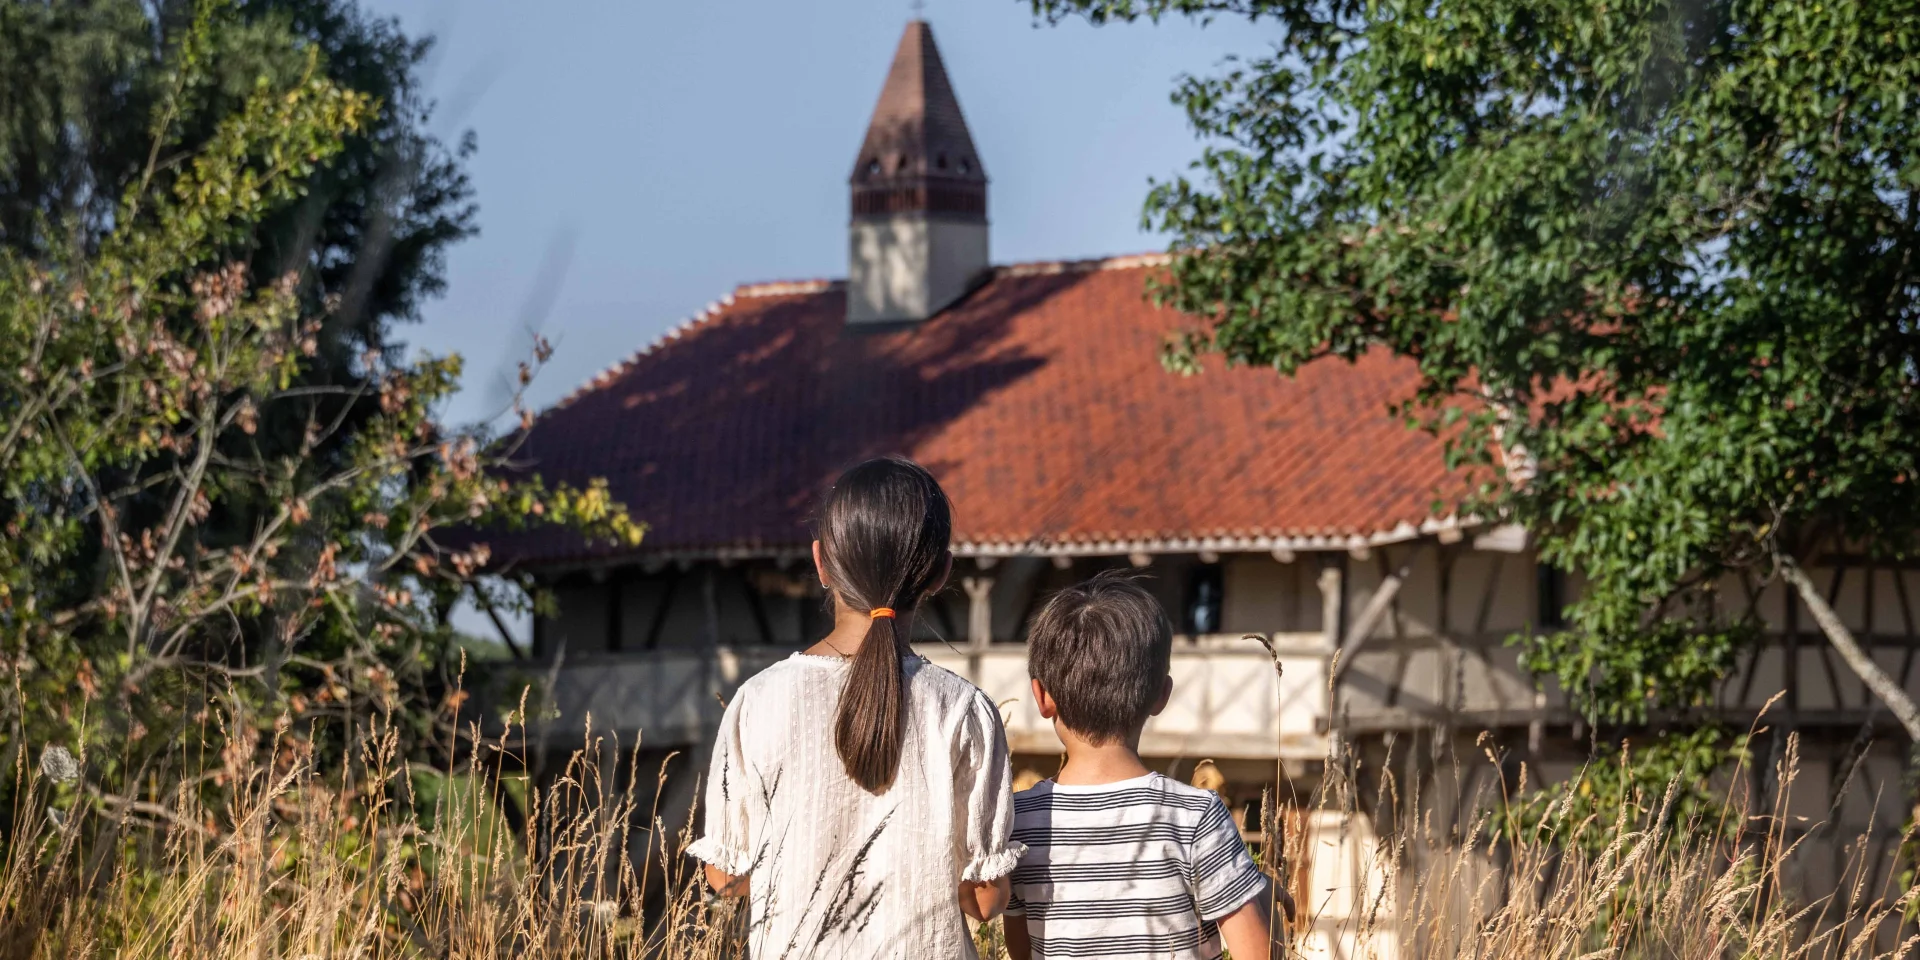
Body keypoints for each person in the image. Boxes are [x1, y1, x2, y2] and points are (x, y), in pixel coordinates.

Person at [689, 456, 1025, 959]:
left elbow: (726, 878)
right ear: (939, 574)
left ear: (822, 562)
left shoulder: (757, 701)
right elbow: (984, 900)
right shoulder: (965, 710)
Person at [1005, 572, 1276, 960]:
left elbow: (1022, 953)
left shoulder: (1018, 821)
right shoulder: (1194, 816)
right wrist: (1261, 894)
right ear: (1161, 696)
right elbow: (1257, 953)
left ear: (1042, 696)